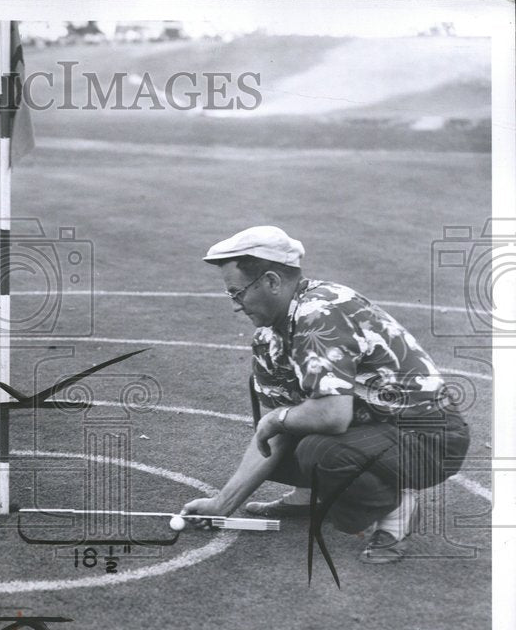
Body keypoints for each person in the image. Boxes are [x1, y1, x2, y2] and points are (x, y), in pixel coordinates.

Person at [181, 226, 470, 563]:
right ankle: (308, 496)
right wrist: (222, 504)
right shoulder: (269, 335)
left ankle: (395, 508)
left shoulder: (321, 314)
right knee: (281, 429)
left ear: (272, 282)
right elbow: (274, 437)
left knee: (319, 449)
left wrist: (276, 419)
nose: (236, 306)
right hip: (378, 429)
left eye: (238, 292)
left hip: (430, 436)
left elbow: (332, 415)